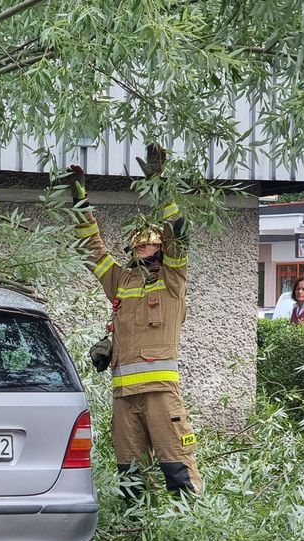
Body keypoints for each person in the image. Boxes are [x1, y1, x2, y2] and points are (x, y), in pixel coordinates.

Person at [68, 145, 201, 497]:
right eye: (137, 245)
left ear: (161, 248)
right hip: (124, 398)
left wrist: (159, 184)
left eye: (149, 244)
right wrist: (79, 199)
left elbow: (179, 230)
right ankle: (137, 538)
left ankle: (189, 530)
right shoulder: (121, 282)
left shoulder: (173, 281)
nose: (142, 248)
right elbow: (91, 249)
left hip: (160, 396)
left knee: (178, 470)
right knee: (130, 478)